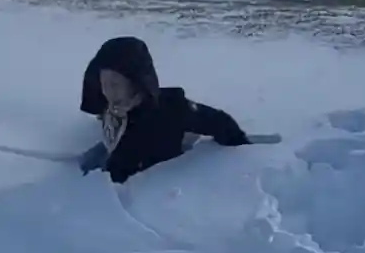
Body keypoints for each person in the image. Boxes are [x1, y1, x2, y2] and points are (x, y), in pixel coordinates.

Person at [77, 36, 251, 183]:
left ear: (135, 83)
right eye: (103, 84)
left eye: (114, 84)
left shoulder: (170, 110)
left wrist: (236, 139)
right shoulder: (112, 111)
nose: (108, 91)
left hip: (156, 188)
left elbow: (213, 120)